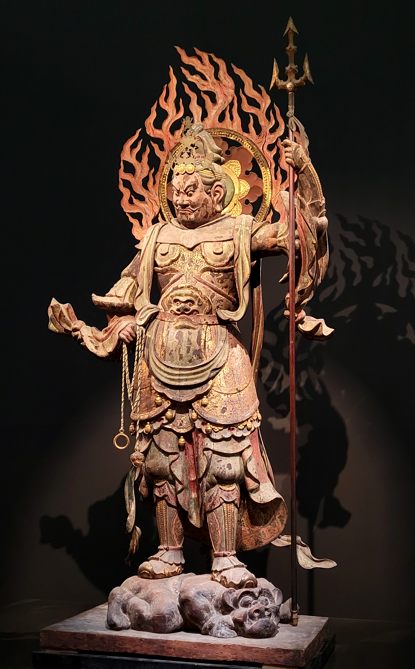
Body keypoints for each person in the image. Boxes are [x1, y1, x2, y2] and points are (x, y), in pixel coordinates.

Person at [49, 119, 328, 589]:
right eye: (176, 190)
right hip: (161, 355)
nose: (181, 198)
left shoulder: (240, 231)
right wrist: (100, 326)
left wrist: (305, 173)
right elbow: (126, 293)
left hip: (219, 355)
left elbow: (299, 235)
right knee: (160, 460)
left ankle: (225, 556)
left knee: (225, 462)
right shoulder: (156, 238)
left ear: (217, 192)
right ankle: (169, 550)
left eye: (192, 189)